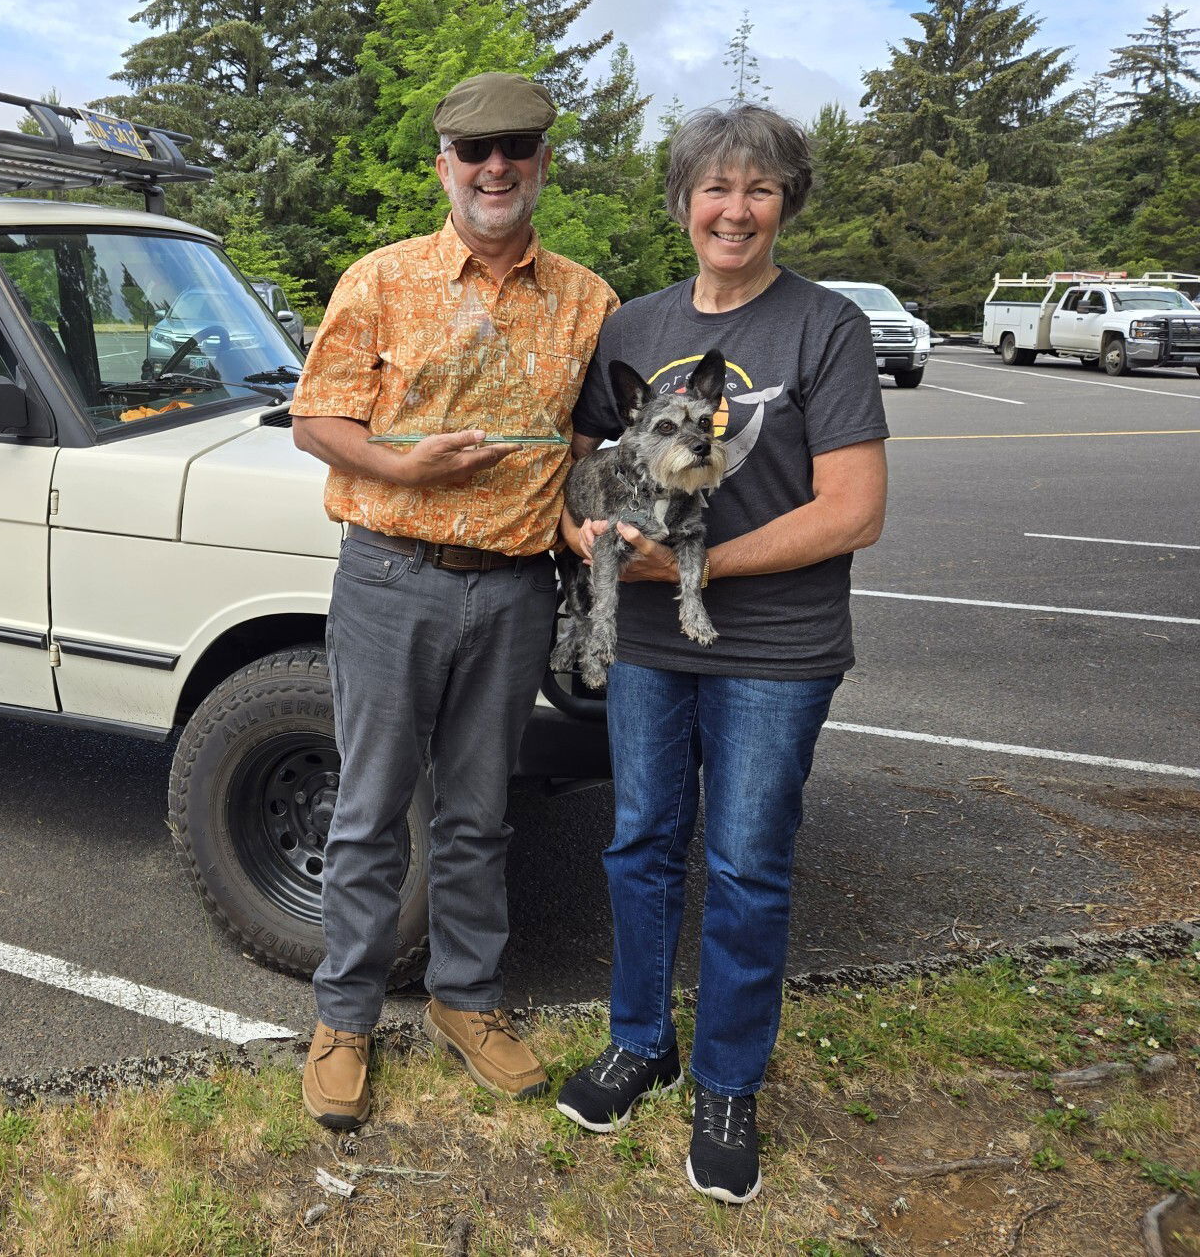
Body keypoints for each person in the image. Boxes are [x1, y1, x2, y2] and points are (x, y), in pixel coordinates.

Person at [555, 103, 889, 1204]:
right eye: (713, 189)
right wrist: (589, 537)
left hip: (775, 652)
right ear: (682, 202)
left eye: (755, 189)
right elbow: (578, 476)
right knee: (639, 843)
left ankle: (726, 1081)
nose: (732, 209)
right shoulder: (633, 327)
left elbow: (851, 512)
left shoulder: (823, 328)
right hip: (647, 645)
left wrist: (698, 568)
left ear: (784, 200)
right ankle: (637, 1041)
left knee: (746, 867)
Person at [289, 72, 620, 1131]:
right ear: (441, 166)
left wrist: (581, 524)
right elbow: (315, 422)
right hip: (391, 576)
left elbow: (580, 445)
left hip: (516, 590)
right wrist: (403, 467)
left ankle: (463, 1002)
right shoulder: (380, 281)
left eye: (513, 150)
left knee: (479, 816)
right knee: (370, 810)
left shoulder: (587, 300)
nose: (493, 169)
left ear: (540, 166)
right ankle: (342, 1018)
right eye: (472, 152)